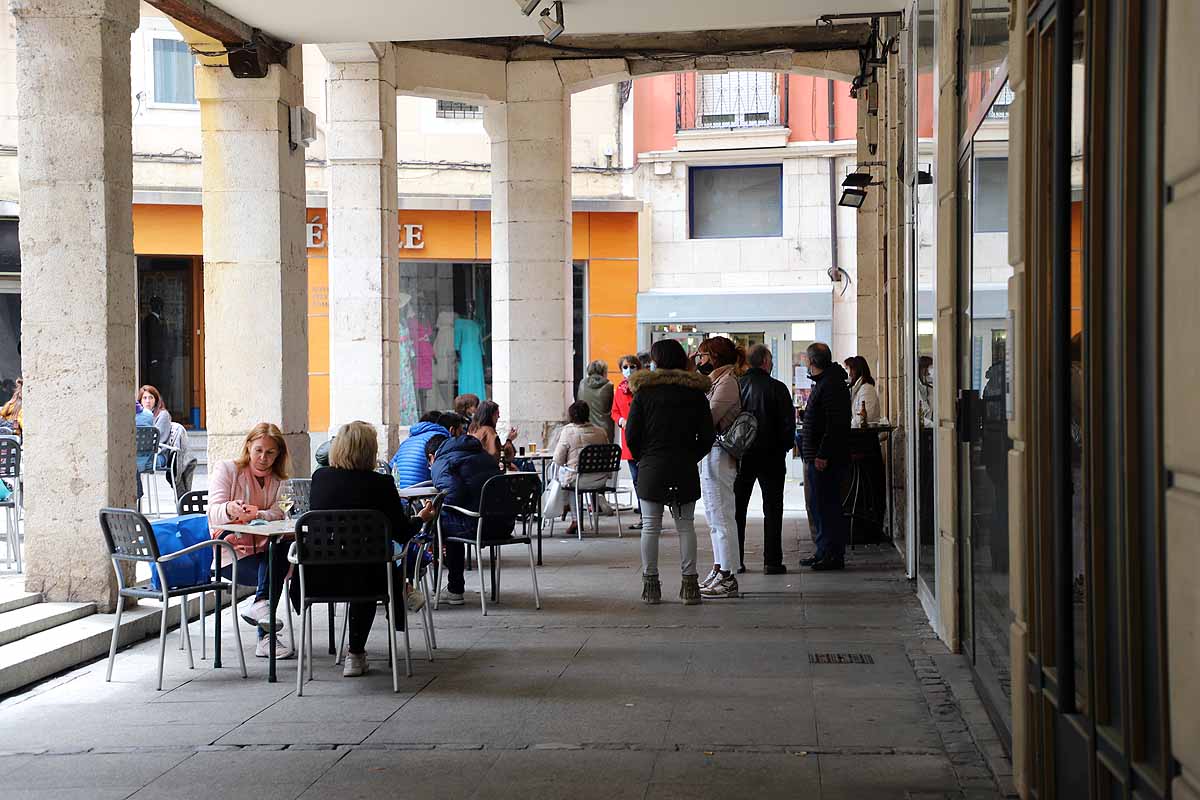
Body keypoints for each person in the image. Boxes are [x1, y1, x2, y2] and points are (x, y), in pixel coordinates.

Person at [298, 421, 432, 677]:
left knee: (360, 564)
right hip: (370, 580)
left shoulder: (320, 478)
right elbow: (401, 532)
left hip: (320, 577)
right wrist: (422, 518)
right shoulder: (381, 484)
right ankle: (355, 654)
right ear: (370, 451)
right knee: (371, 564)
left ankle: (352, 654)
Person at [625, 339, 715, 605]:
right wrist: (691, 456)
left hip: (652, 466)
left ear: (657, 361)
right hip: (684, 466)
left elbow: (631, 435)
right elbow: (708, 435)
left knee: (650, 527)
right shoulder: (695, 393)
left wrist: (645, 458)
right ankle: (690, 587)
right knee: (686, 526)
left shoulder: (644, 393)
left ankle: (651, 586)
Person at [208, 422, 294, 658]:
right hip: (232, 555)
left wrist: (258, 514)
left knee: (280, 552)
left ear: (278, 455)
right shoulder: (227, 470)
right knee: (276, 563)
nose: (263, 458)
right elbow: (212, 513)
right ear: (248, 447)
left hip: (265, 550)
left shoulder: (279, 480)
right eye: (258, 450)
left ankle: (260, 606)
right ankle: (265, 638)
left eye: (270, 453)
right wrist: (230, 509)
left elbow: (280, 512)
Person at [734, 344, 796, 575]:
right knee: (773, 508)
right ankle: (772, 561)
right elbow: (788, 423)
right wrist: (784, 448)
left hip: (743, 456)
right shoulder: (777, 388)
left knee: (738, 509)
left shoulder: (738, 387)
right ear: (765, 362)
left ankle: (736, 560)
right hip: (771, 456)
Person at [430, 430, 511, 605]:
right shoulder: (486, 456)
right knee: (450, 519)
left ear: (431, 457)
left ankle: (453, 589)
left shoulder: (441, 462)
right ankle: (458, 588)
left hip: (478, 526)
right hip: (505, 525)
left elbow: (453, 494)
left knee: (439, 521)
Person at [694, 336, 746, 598]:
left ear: (714, 357)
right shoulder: (715, 381)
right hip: (711, 453)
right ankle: (719, 567)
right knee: (714, 516)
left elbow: (707, 418)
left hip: (720, 454)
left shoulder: (726, 383)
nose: (698, 361)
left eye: (701, 356)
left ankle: (728, 576)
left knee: (722, 516)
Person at [800, 343, 851, 571]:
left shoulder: (831, 384)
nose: (805, 365)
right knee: (819, 505)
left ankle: (832, 554)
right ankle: (823, 550)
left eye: (807, 361)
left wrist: (823, 453)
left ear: (813, 362)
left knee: (827, 505)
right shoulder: (825, 382)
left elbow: (835, 423)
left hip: (825, 459)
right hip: (818, 456)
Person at [549, 400, 610, 538]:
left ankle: (574, 518)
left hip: (578, 480)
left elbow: (558, 459)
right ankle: (568, 507)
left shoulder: (567, 432)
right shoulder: (601, 432)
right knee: (571, 477)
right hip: (600, 479)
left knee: (564, 477)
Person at [611, 354, 642, 531]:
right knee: (636, 479)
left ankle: (650, 515)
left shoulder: (643, 388)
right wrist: (620, 420)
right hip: (628, 439)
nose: (628, 370)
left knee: (645, 478)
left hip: (644, 440)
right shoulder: (619, 389)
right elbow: (614, 411)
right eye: (625, 367)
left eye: (632, 366)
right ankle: (643, 515)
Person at [389, 411, 450, 487]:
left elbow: (390, 467)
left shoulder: (407, 441)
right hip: (422, 493)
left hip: (400, 493)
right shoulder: (440, 438)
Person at [578, 359, 615, 443]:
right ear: (604, 371)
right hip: (605, 430)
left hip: (586, 428)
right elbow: (612, 406)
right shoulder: (609, 385)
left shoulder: (582, 383)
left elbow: (579, 403)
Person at [469, 400, 516, 465]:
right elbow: (500, 457)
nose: (498, 417)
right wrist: (509, 440)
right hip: (488, 471)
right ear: (491, 415)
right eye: (497, 414)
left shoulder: (472, 428)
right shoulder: (489, 432)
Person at [138, 385, 172, 464]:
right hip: (141, 454)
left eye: (151, 397)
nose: (148, 401)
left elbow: (157, 439)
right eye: (144, 398)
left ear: (156, 400)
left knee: (134, 460)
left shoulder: (163, 415)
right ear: (140, 401)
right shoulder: (138, 416)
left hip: (158, 455)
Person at [845, 356, 881, 427]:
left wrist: (847, 425)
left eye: (847, 369)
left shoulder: (867, 389)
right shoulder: (857, 389)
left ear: (855, 370)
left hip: (866, 435)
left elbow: (864, 417)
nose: (848, 374)